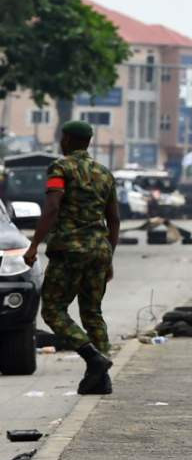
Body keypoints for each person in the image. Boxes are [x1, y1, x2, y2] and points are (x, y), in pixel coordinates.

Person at [22, 121, 119, 395]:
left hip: (69, 250)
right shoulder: (105, 173)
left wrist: (34, 245)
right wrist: (109, 256)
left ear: (66, 140)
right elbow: (114, 219)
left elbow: (52, 207)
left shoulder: (60, 168)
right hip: (99, 250)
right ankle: (101, 380)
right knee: (92, 312)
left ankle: (93, 358)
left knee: (53, 310)